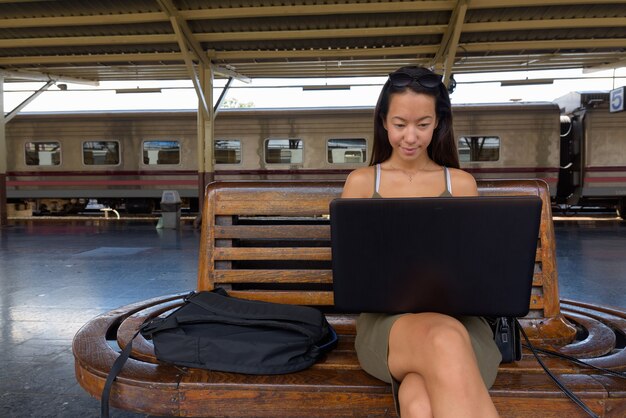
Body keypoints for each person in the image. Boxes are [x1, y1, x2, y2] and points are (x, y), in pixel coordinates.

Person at [341, 66, 502, 418]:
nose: (410, 137)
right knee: (442, 340)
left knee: (419, 403)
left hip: (461, 324)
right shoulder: (361, 182)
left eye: (423, 124)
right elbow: (353, 270)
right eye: (400, 124)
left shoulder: (461, 184)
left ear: (439, 123)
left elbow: (472, 268)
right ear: (383, 121)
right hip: (387, 328)